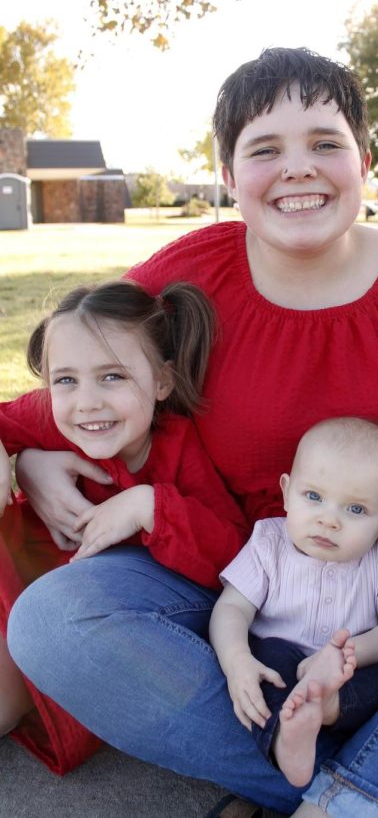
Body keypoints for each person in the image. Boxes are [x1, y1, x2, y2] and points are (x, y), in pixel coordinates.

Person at [5, 48, 378, 818]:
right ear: (228, 173)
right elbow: (83, 376)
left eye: (324, 142)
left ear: (364, 159)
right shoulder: (186, 279)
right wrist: (30, 452)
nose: (298, 169)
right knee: (52, 626)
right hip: (226, 566)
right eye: (265, 149)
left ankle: (353, 789)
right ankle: (376, 786)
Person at [0, 279, 249, 773]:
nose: (86, 402)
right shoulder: (52, 419)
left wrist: (149, 506)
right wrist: (20, 457)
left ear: (162, 382)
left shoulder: (177, 449)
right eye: (65, 380)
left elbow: (232, 557)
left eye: (111, 377)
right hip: (19, 582)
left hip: (95, 621)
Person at [209, 417, 378, 787]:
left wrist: (351, 652)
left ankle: (327, 707)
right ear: (287, 492)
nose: (328, 520)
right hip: (281, 664)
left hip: (348, 677)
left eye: (355, 510)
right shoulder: (268, 543)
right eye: (314, 497)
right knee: (266, 659)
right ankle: (285, 735)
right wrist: (236, 660)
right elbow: (231, 608)